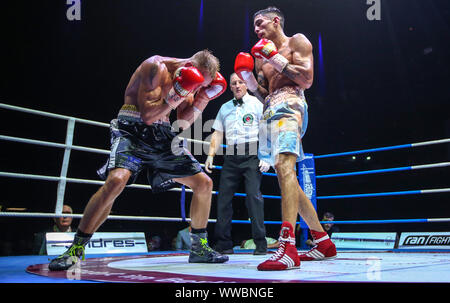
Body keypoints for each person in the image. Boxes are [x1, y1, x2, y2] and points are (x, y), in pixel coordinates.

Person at [48, 50, 229, 271]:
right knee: (116, 181)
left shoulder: (193, 82)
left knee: (204, 183)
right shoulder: (155, 67)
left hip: (161, 134)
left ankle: (199, 248)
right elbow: (147, 115)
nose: (199, 87)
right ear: (190, 65)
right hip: (132, 129)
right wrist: (179, 92)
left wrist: (203, 98)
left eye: (203, 86)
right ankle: (75, 249)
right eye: (200, 84)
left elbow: (183, 121)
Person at [234, 6, 336, 270]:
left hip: (291, 106)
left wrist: (277, 58)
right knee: (284, 175)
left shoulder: (297, 41)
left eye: (260, 23)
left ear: (276, 21)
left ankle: (288, 246)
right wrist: (249, 80)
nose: (256, 29)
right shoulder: (259, 59)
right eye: (254, 26)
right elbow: (263, 93)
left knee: (283, 167)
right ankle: (323, 242)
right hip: (270, 112)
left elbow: (307, 79)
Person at [205, 73, 271, 255]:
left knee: (253, 197)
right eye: (234, 83)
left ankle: (261, 243)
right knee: (223, 199)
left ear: (246, 84)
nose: (237, 85)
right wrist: (210, 155)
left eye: (241, 82)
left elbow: (267, 129)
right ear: (230, 86)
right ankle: (223, 244)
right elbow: (218, 133)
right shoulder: (225, 107)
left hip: (252, 153)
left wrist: (267, 156)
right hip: (231, 156)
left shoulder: (257, 104)